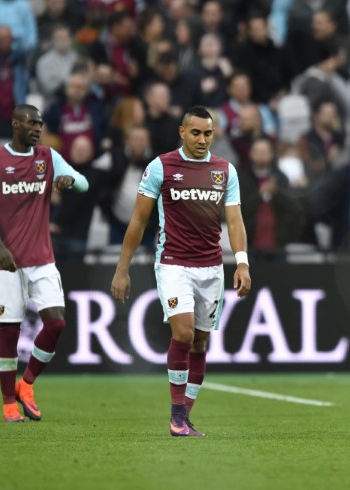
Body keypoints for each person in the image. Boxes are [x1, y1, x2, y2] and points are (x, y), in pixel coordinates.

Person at [110, 106, 252, 437]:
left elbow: (234, 221)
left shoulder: (224, 171)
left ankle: (184, 416)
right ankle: (176, 415)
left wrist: (242, 261)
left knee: (200, 343)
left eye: (208, 133)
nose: (202, 140)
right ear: (182, 132)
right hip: (173, 263)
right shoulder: (161, 167)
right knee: (184, 334)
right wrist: (122, 269)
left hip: (212, 267)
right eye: (196, 133)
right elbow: (139, 221)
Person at [0, 104, 89, 422]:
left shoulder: (48, 157)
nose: (38, 128)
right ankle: (9, 402)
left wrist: (68, 181)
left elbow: (83, 183)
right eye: (32, 123)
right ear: (15, 124)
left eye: (40, 123)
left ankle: (27, 384)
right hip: (6, 262)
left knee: (57, 323)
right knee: (9, 332)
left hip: (42, 259)